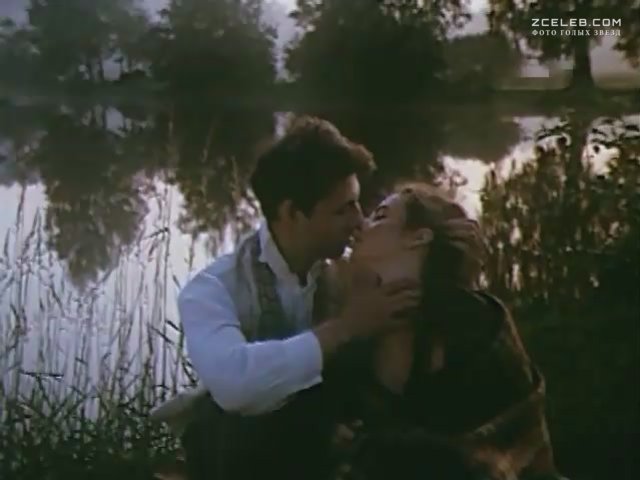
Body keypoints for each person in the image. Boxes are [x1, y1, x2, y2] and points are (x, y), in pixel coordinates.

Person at [150, 116, 427, 480]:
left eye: (358, 204)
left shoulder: (354, 274)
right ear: (291, 213)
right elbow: (235, 386)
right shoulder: (212, 290)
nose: (359, 221)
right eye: (342, 209)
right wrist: (345, 328)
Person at [321, 183, 561, 480]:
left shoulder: (478, 324)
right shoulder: (357, 332)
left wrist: (371, 447)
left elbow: (485, 456)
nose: (360, 224)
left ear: (419, 237)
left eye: (380, 216)